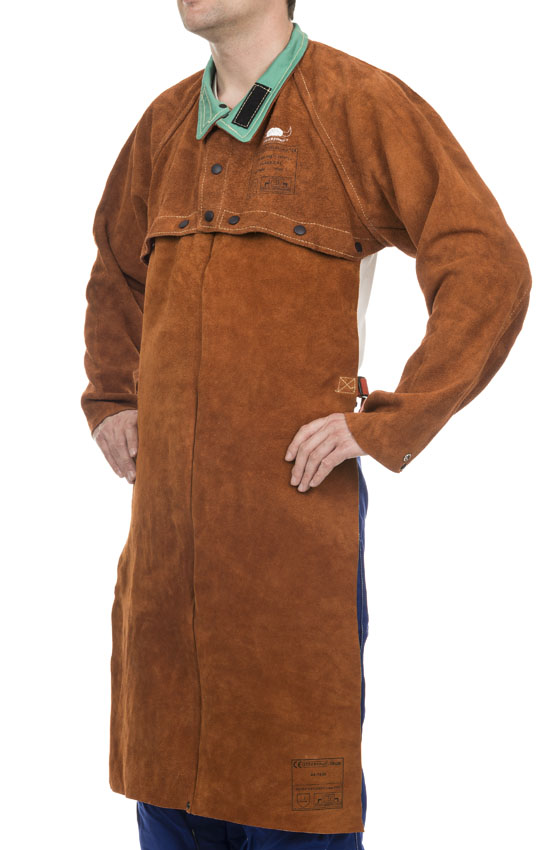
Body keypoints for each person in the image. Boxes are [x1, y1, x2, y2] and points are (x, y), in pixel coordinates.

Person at [81, 1, 532, 848]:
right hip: (165, 562)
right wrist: (112, 399)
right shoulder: (163, 126)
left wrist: (385, 423)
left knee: (296, 801)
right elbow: (116, 271)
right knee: (165, 782)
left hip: (289, 550)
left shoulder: (358, 105)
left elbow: (487, 266)